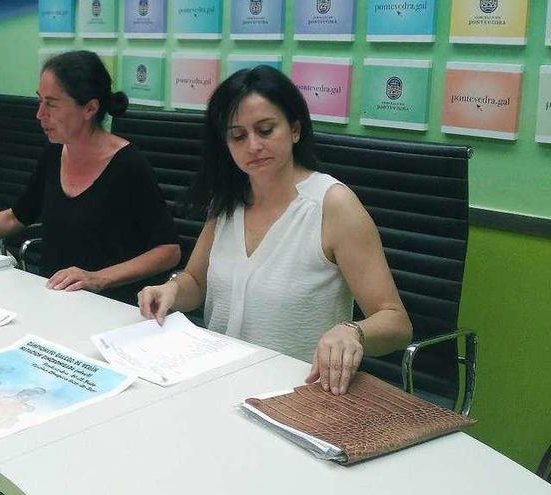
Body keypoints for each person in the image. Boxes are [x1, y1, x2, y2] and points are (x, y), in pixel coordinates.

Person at [137, 66, 412, 395]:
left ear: (295, 130)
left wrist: (352, 331)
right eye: (238, 136)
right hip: (216, 383)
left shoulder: (332, 205)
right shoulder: (228, 200)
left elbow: (396, 321)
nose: (253, 145)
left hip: (298, 396)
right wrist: (171, 290)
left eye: (265, 130)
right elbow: (196, 282)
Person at [0, 50, 180, 303]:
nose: (39, 114)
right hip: (53, 297)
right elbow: (17, 216)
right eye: (40, 101)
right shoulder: (54, 153)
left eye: (51, 104)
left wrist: (98, 278)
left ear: (90, 109)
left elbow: (168, 251)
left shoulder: (128, 165)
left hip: (110, 305)